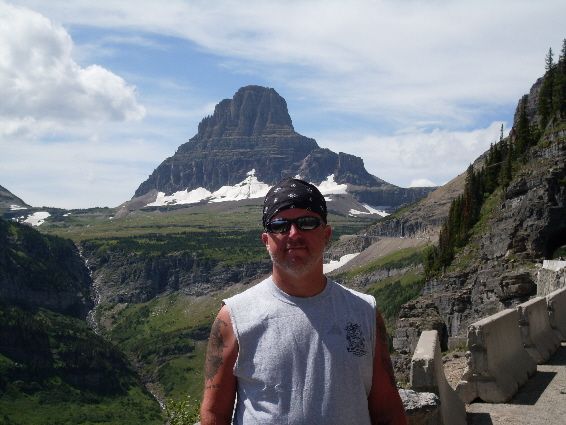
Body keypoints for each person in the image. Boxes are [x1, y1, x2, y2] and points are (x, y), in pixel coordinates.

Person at [200, 178, 407, 425]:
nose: (294, 234)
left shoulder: (364, 311)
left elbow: (387, 409)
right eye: (280, 225)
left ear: (327, 234)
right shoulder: (232, 317)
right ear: (266, 239)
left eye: (307, 223)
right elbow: (214, 414)